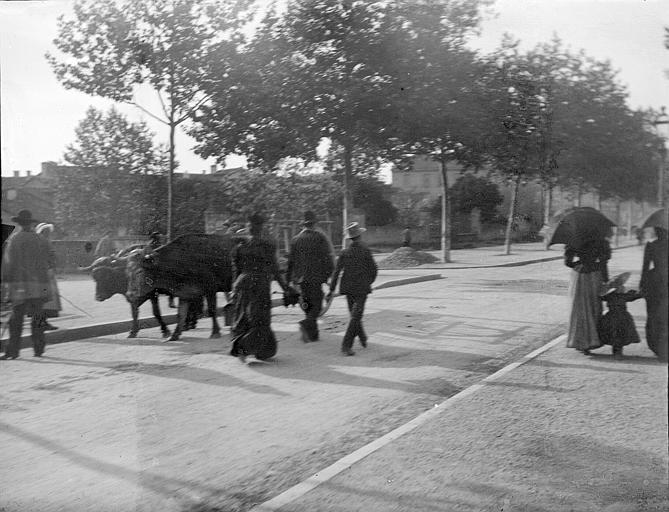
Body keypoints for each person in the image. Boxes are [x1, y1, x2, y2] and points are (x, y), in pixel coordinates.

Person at [229, 213, 291, 362]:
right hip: (260, 283)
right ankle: (242, 347)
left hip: (242, 283)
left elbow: (235, 271)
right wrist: (285, 288)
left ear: (248, 228)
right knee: (260, 319)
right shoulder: (267, 246)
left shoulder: (239, 246)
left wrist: (233, 289)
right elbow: (275, 269)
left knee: (243, 316)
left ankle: (262, 349)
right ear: (261, 228)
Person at [1, 210, 51, 359]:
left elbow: (8, 264)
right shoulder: (41, 240)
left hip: (20, 286)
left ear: (19, 224)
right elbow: (51, 260)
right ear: (31, 224)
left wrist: (6, 285)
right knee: (38, 317)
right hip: (39, 285)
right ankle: (39, 349)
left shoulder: (14, 240)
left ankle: (13, 352)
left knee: (16, 320)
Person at [328, 222, 378, 356]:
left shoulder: (344, 252)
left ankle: (362, 337)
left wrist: (331, 290)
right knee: (356, 315)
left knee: (355, 315)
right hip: (362, 289)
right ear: (360, 236)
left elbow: (336, 272)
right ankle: (346, 345)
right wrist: (368, 282)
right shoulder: (366, 250)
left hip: (348, 288)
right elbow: (374, 270)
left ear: (350, 238)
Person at [286, 211, 335, 342]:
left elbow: (290, 262)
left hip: (301, 279)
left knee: (307, 304)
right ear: (314, 224)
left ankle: (313, 335)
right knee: (317, 306)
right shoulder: (320, 237)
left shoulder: (295, 239)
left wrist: (288, 281)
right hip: (316, 277)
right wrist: (329, 276)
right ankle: (306, 324)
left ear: (303, 225)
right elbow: (327, 258)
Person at [563, 236, 611, 355]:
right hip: (595, 274)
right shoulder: (601, 239)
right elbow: (604, 260)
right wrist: (606, 280)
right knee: (594, 307)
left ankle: (580, 341)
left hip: (579, 275)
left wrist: (579, 262)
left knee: (579, 308)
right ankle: (592, 340)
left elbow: (567, 262)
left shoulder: (574, 238)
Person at [598, 272, 642, 360]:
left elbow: (600, 296)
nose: (623, 287)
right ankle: (618, 352)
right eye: (621, 286)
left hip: (611, 317)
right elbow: (635, 296)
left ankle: (616, 352)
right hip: (621, 317)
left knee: (614, 334)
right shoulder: (622, 296)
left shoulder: (610, 296)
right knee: (619, 334)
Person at [640, 226, 668, 361]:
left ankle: (656, 346)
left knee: (653, 315)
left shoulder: (651, 245)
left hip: (654, 282)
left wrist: (642, 285)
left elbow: (645, 267)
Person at [35, 223, 61, 330]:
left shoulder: (40, 241)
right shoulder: (44, 241)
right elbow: (51, 256)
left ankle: (41, 321)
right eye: (48, 232)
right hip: (45, 272)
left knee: (44, 298)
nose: (50, 234)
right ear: (44, 232)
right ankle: (42, 321)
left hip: (43, 271)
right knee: (46, 298)